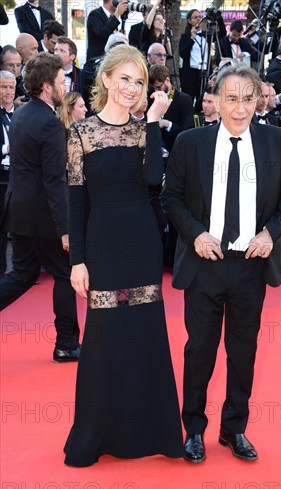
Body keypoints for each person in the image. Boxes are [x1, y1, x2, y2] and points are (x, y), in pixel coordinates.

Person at [161, 65, 281, 463]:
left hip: (250, 266)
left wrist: (270, 233)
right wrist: (196, 235)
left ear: (259, 99)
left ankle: (233, 429)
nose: (240, 109)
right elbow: (171, 198)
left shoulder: (277, 141)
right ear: (216, 100)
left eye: (247, 98)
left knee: (243, 353)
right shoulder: (191, 143)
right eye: (231, 98)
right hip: (204, 263)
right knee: (199, 352)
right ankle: (193, 430)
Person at [64, 44, 183, 467]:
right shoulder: (81, 133)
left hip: (142, 242)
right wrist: (78, 260)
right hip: (101, 243)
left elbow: (154, 180)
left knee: (144, 331)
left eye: (140, 82)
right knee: (103, 335)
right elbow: (76, 202)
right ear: (108, 79)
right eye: (126, 79)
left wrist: (151, 122)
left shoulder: (145, 130)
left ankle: (153, 431)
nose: (132, 88)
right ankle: (99, 431)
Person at [0, 52, 80, 362]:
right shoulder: (49, 123)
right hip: (43, 217)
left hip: (19, 211)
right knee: (64, 274)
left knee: (21, 276)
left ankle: (67, 343)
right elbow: (54, 181)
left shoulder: (21, 113)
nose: (65, 86)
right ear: (47, 86)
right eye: (61, 82)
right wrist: (65, 229)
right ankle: (66, 344)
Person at [179, 8, 226, 103]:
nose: (198, 19)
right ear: (189, 20)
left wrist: (219, 18)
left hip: (204, 72)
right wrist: (192, 38)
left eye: (200, 17)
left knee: (203, 99)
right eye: (195, 17)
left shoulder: (206, 35)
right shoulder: (185, 36)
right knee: (189, 100)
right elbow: (183, 54)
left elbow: (222, 34)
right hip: (191, 73)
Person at [0, 70, 16, 276]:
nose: (8, 91)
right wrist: (6, 148)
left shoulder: (21, 114)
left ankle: (25, 270)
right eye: (3, 86)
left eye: (11, 87)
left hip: (19, 177)